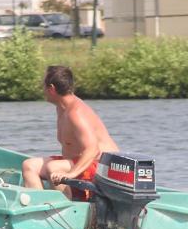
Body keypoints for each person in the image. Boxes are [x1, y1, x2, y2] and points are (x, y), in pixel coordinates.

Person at [22, 65, 119, 200]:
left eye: (43, 87)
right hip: (80, 163)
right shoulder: (61, 108)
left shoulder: (76, 113)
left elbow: (92, 150)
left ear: (51, 89)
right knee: (29, 165)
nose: (42, 90)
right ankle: (41, 207)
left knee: (54, 168)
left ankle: (66, 211)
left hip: (104, 167)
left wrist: (71, 174)